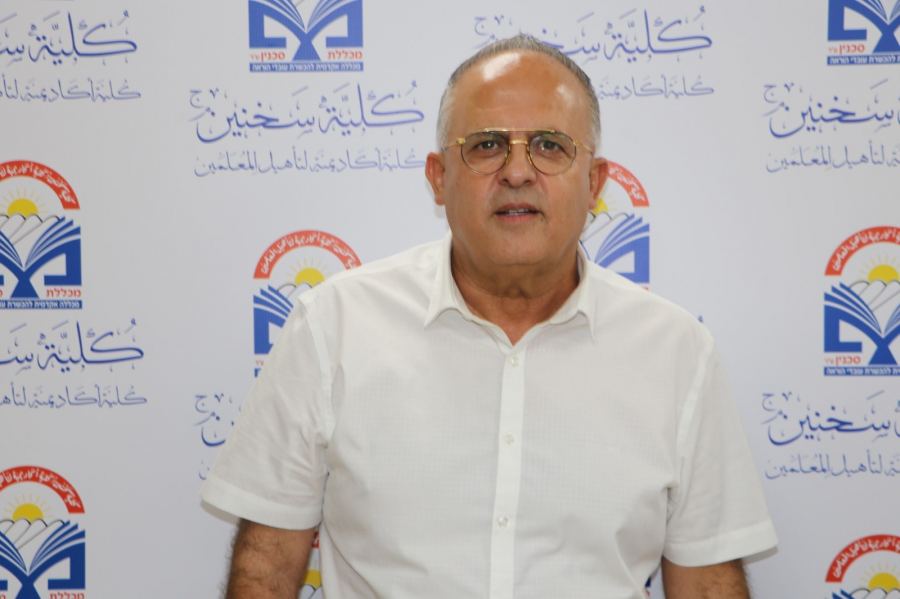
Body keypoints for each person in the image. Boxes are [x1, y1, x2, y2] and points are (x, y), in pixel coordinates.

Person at [201, 34, 777, 599]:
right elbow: (266, 571)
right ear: (438, 178)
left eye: (550, 145)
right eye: (486, 145)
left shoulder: (676, 352)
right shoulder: (334, 326)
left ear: (595, 183)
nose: (518, 172)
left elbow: (708, 585)